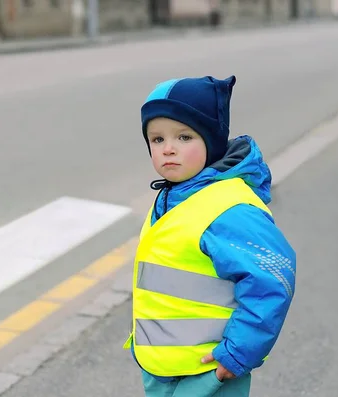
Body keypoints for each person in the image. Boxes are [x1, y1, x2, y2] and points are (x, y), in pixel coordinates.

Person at [123, 75, 297, 397]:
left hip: (208, 372)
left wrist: (239, 353)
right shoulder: (172, 196)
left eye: (185, 136)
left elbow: (272, 278)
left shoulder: (228, 209)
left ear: (211, 141)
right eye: (157, 139)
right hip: (163, 370)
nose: (168, 149)